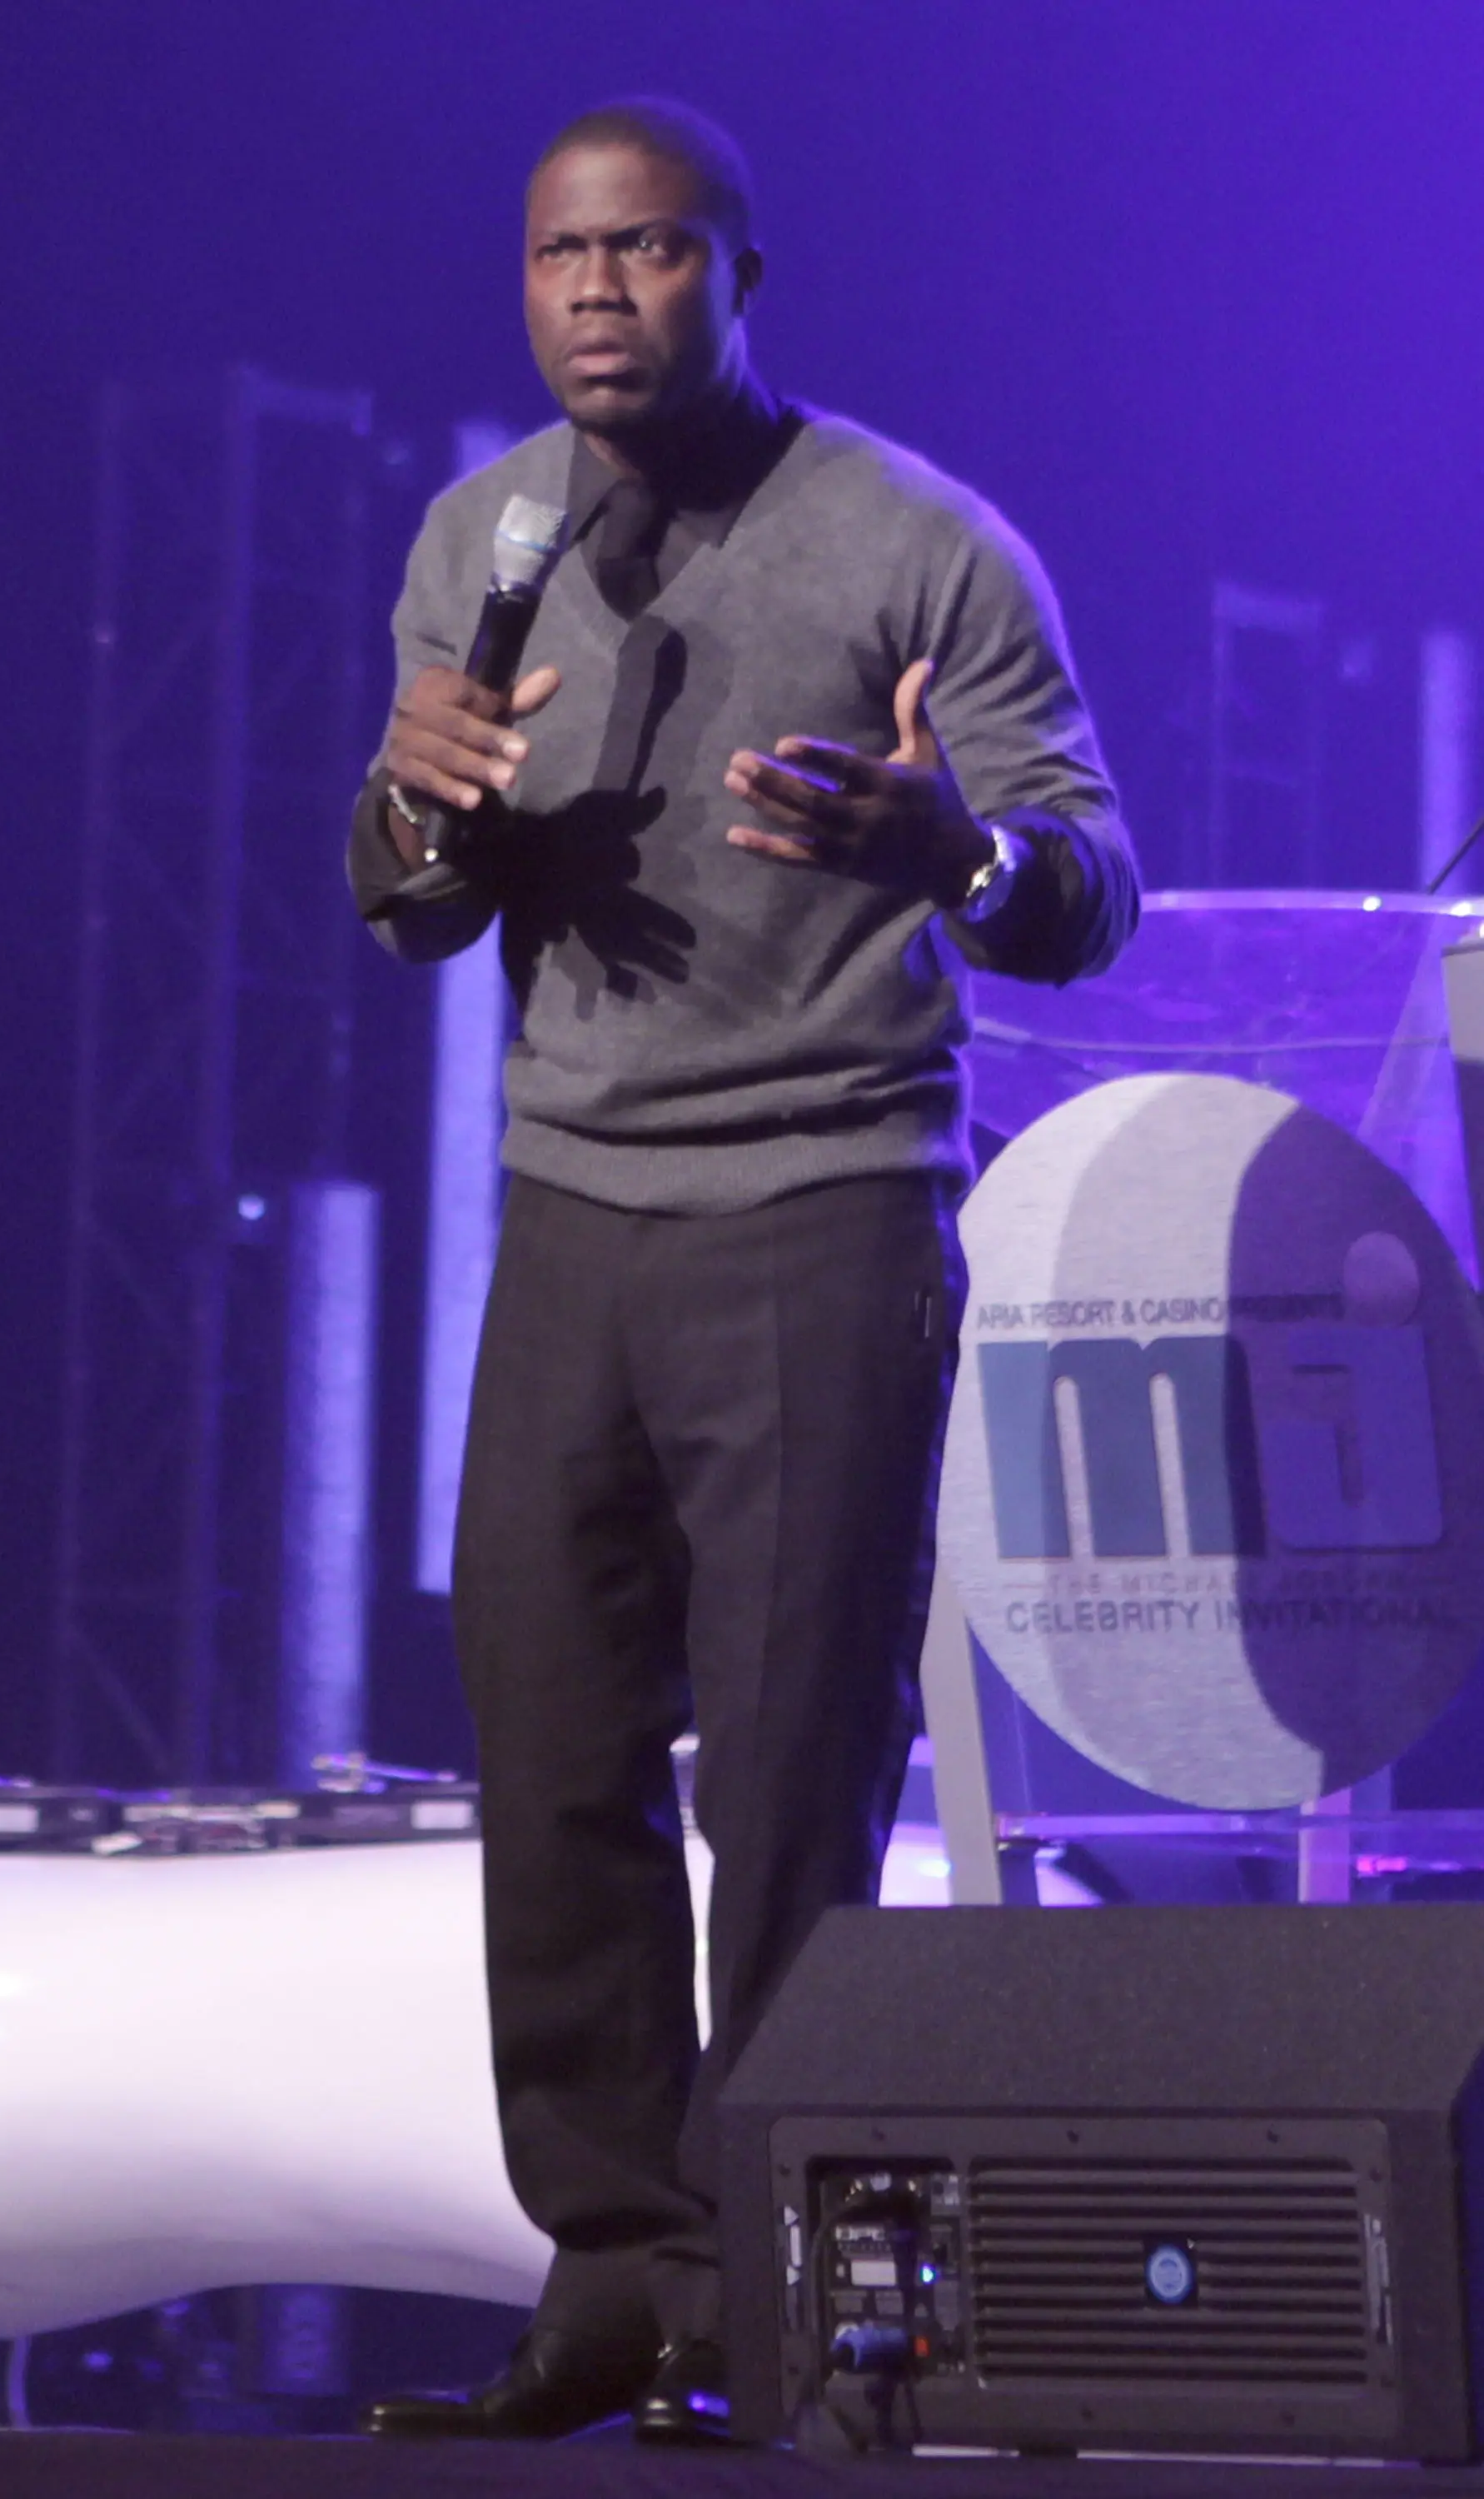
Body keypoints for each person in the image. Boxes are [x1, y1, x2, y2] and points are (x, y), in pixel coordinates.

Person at [349, 97, 1138, 2445]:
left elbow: (1088, 887)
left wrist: (952, 844)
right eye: (558, 261)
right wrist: (412, 802)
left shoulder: (916, 543)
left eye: (650, 253)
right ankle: (617, 2267)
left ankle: (795, 2305)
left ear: (736, 275)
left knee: (789, 1778)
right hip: (571, 1215)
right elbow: (406, 909)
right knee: (553, 1750)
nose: (597, 296)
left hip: (814, 1197)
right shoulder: (478, 532)